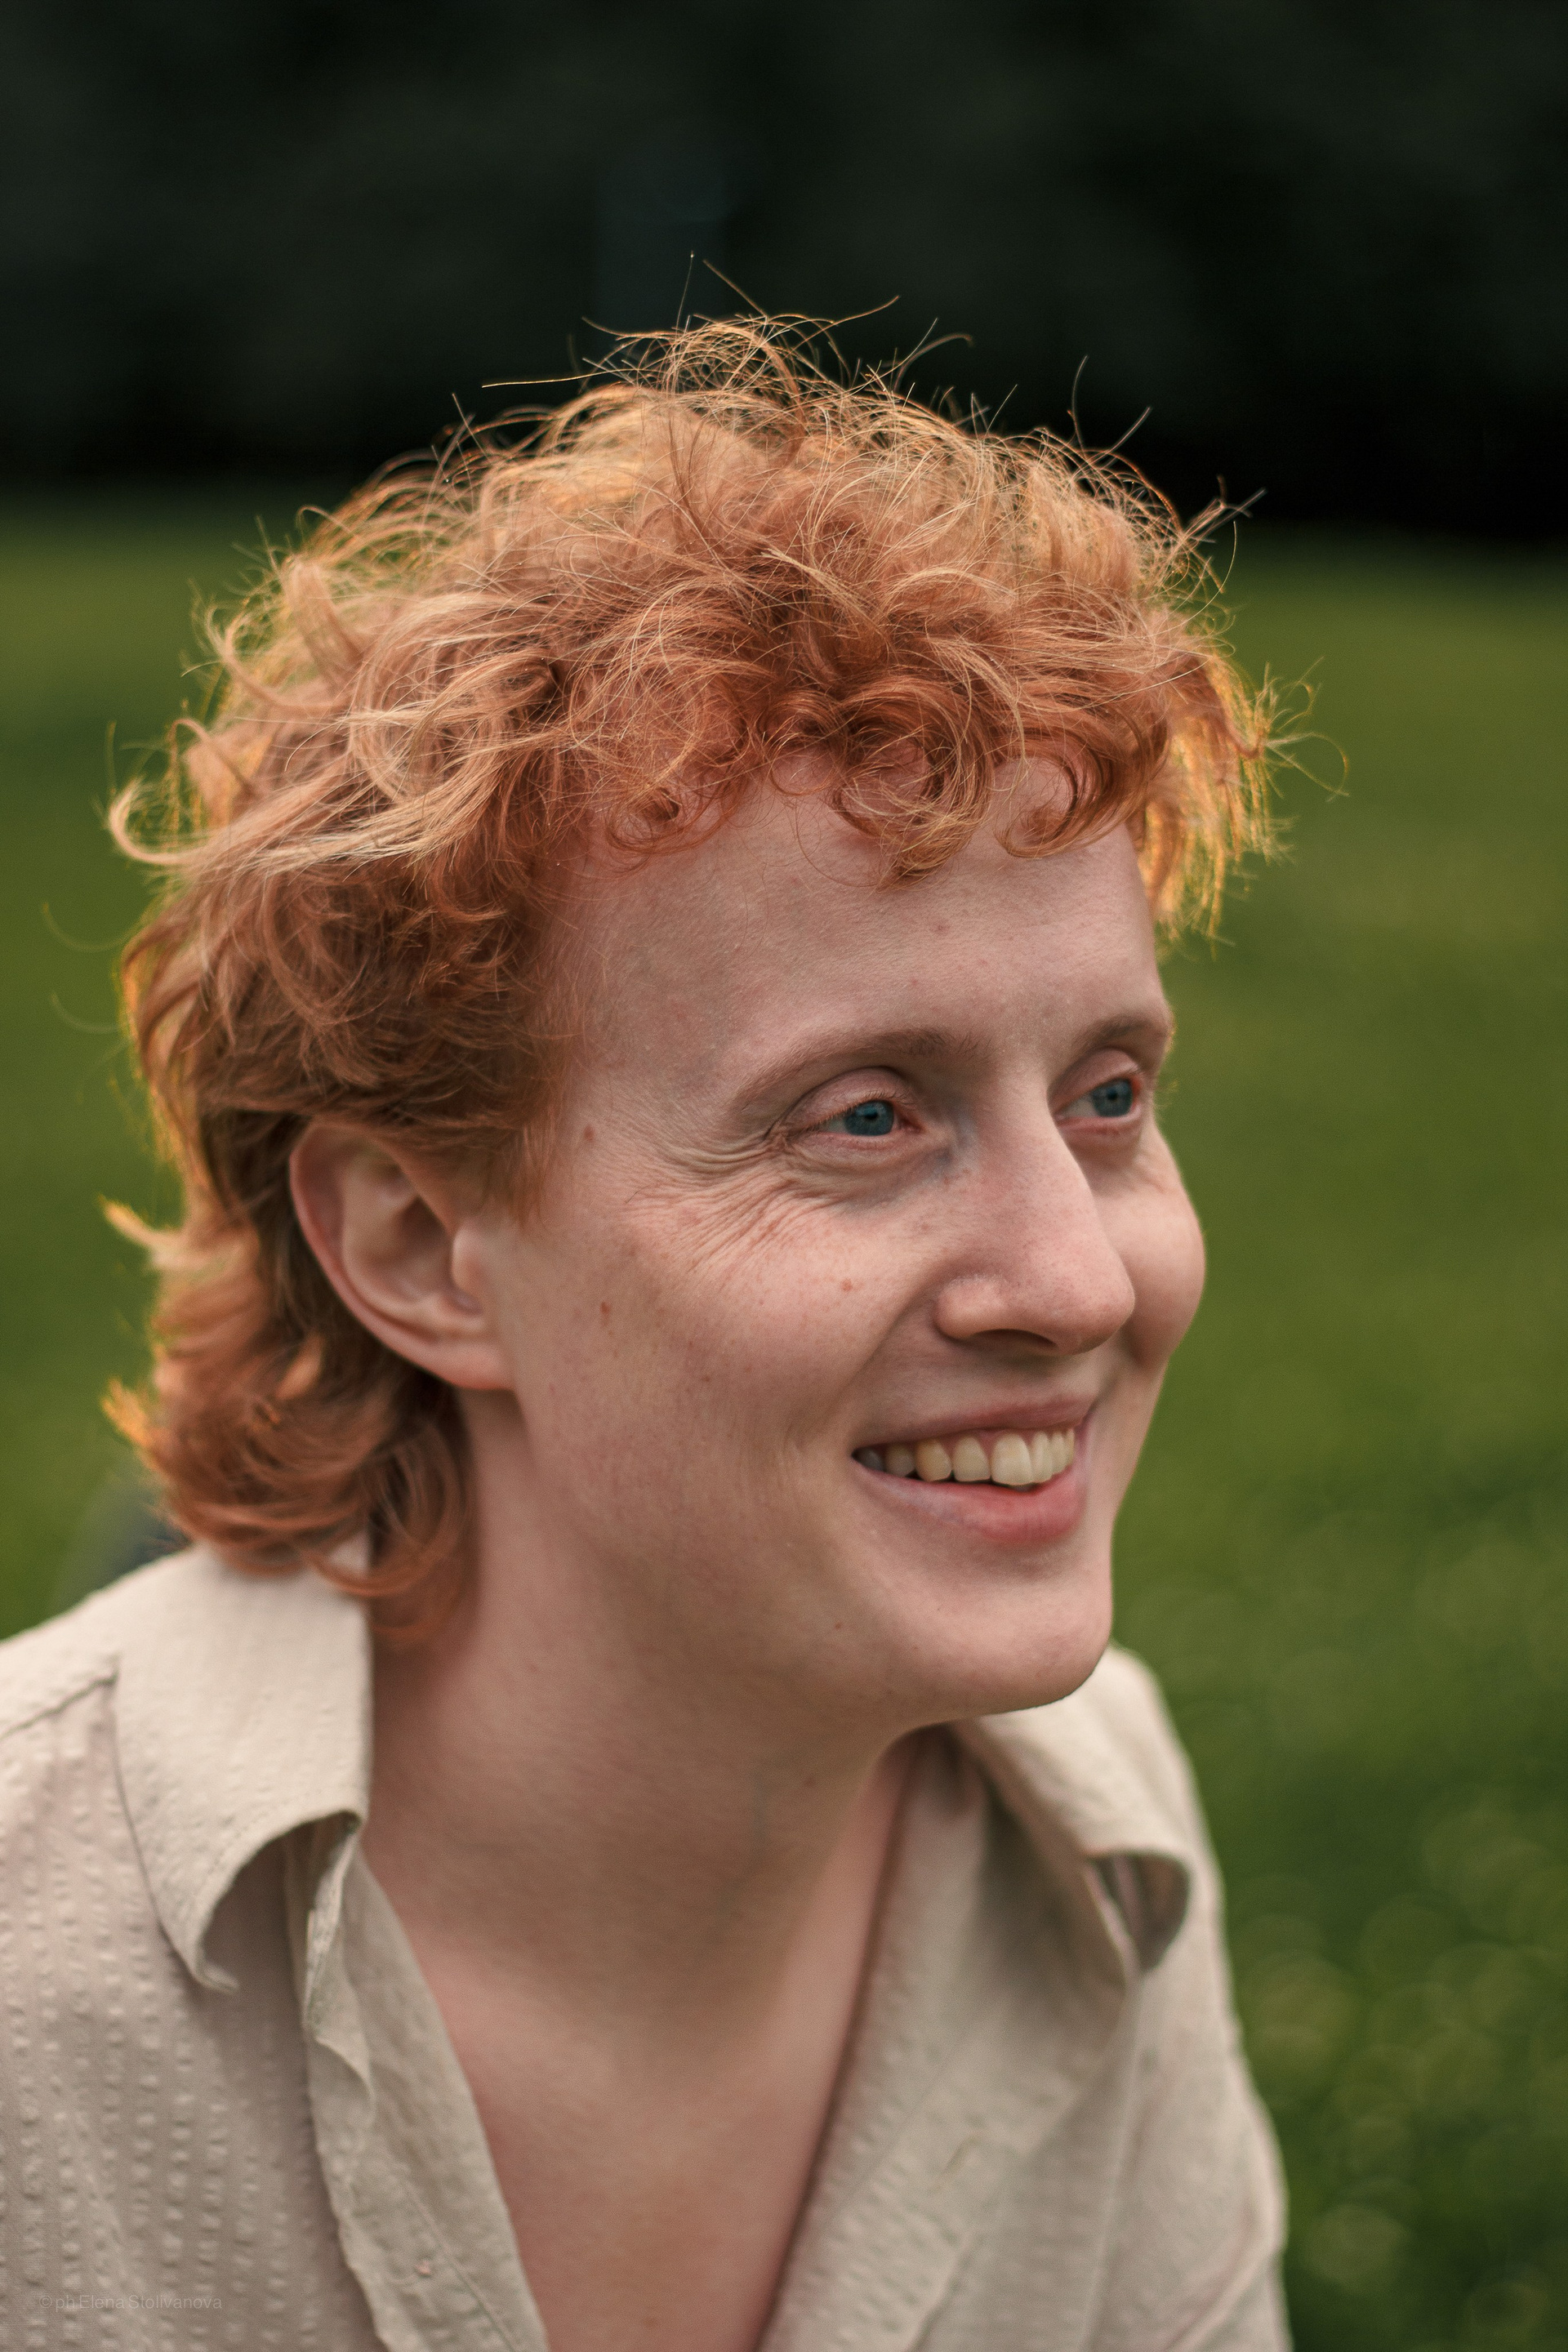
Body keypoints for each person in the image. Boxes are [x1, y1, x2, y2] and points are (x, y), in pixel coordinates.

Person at [0, 323, 1289, 2351]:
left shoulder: (1095, 1829)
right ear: (423, 1247)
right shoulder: (35, 1987)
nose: (1077, 1280)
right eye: (865, 1118)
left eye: (1109, 1095)